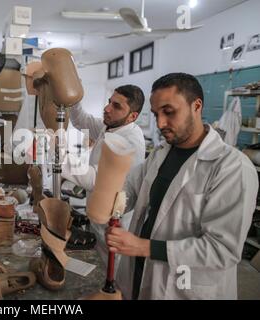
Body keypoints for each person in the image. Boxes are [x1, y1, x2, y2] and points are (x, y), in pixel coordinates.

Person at [106, 73, 258, 299]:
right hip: (142, 274)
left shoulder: (232, 167)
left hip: (187, 286)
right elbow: (128, 191)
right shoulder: (161, 154)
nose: (160, 124)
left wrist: (144, 247)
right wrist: (106, 202)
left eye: (169, 112)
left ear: (196, 106)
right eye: (156, 114)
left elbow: (223, 250)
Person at [62, 85, 146, 260]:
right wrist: (73, 95)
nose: (107, 109)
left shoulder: (130, 142)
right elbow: (80, 120)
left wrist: (58, 159)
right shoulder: (110, 126)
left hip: (115, 225)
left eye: (117, 106)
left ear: (133, 116)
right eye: (109, 102)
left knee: (110, 272)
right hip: (97, 214)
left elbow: (97, 179)